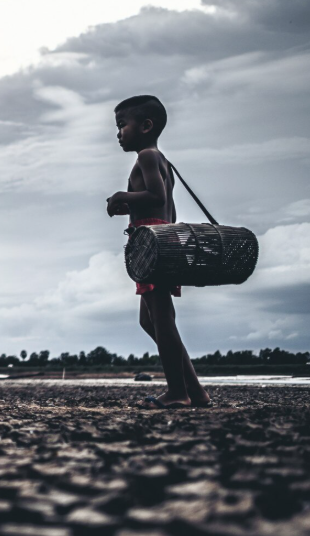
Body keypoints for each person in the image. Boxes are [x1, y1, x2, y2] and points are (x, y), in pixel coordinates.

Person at [107, 95, 212, 409]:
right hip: (161, 238)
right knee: (150, 321)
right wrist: (131, 205)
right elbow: (168, 205)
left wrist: (120, 196)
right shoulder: (161, 160)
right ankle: (196, 392)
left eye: (122, 125)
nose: (119, 133)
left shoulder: (148, 157)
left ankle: (178, 392)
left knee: (161, 319)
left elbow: (156, 194)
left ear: (146, 126)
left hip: (153, 243)